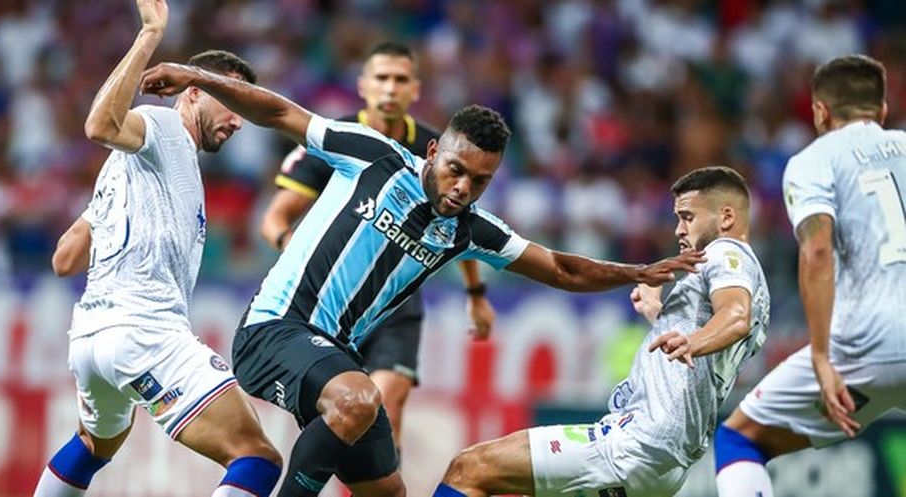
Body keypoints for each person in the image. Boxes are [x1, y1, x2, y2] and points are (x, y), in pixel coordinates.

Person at [139, 61, 704, 497]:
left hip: (334, 355)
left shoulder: (470, 230)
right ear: (432, 152)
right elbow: (280, 112)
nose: (462, 189)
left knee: (388, 490)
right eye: (456, 170)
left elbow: (559, 267)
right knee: (358, 399)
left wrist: (636, 271)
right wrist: (196, 75)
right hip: (274, 330)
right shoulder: (374, 157)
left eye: (479, 181)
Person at [34, 2, 282, 497]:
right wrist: (150, 33)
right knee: (257, 457)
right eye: (229, 101)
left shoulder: (130, 172)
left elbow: (65, 258)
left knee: (94, 443)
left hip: (90, 339)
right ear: (194, 91)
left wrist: (106, 215)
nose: (237, 121)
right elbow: (100, 127)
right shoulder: (163, 129)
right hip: (143, 330)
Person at [431, 166, 770, 497]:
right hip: (663, 461)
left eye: (688, 217)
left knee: (469, 469)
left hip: (637, 444)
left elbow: (735, 316)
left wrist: (693, 342)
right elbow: (712, 341)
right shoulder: (752, 285)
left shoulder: (726, 253)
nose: (679, 230)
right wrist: (658, 314)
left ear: (726, 217)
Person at [260, 41, 495, 456]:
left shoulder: (441, 149)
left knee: (387, 407)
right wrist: (298, 255)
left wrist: (475, 294)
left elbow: (462, 225)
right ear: (363, 85)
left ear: (415, 89)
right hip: (330, 299)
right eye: (381, 78)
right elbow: (275, 219)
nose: (390, 88)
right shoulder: (335, 138)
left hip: (394, 303)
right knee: (344, 415)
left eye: (400, 79)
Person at [714, 54, 906, 497]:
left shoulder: (813, 160)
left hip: (863, 347)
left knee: (739, 438)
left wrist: (821, 356)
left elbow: (818, 250)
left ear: (820, 112)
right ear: (882, 110)